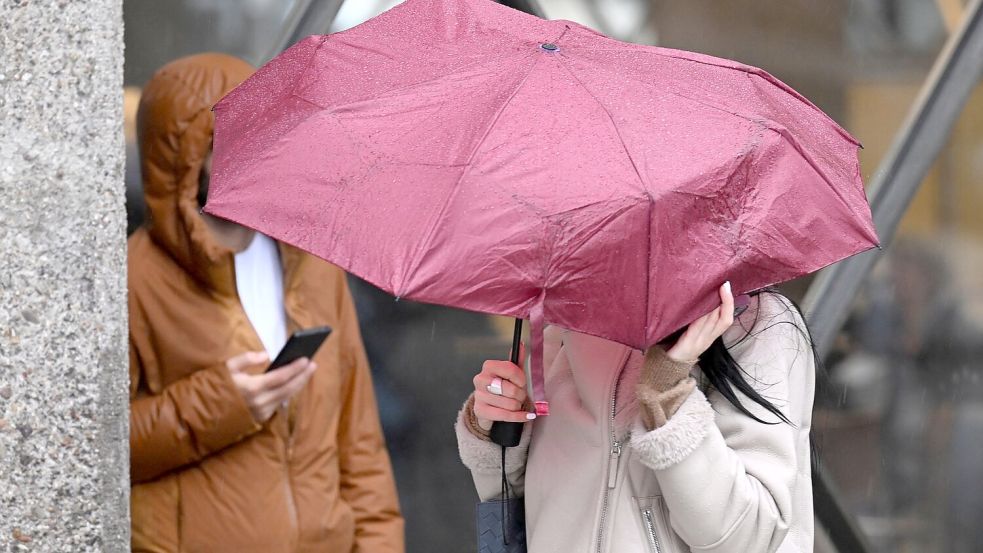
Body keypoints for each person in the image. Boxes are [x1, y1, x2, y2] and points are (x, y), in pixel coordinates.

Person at [128, 53, 403, 553]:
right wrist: (219, 405)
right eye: (229, 136)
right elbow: (93, 449)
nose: (253, 149)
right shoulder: (132, 280)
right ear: (182, 155)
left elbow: (359, 441)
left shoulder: (312, 262)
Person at [457, 283, 815, 552]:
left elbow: (746, 538)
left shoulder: (759, 323)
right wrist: (497, 423)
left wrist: (667, 396)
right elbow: (522, 500)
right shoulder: (572, 317)